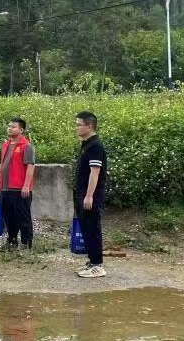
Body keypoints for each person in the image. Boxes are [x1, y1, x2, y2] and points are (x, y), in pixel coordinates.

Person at [74, 111, 108, 278]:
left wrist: (89, 196)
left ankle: (98, 265)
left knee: (93, 228)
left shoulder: (96, 146)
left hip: (90, 195)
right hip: (82, 193)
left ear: (89, 126)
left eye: (79, 125)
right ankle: (92, 260)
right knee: (86, 228)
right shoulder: (87, 144)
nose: (77, 128)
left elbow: (95, 173)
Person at [0, 118, 36, 250]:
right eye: (9, 126)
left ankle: (27, 243)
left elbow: (30, 166)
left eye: (13, 127)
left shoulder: (27, 146)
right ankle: (11, 242)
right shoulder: (5, 145)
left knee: (23, 217)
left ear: (21, 130)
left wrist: (26, 185)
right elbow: (1, 165)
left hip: (20, 188)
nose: (10, 128)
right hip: (5, 188)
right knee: (8, 217)